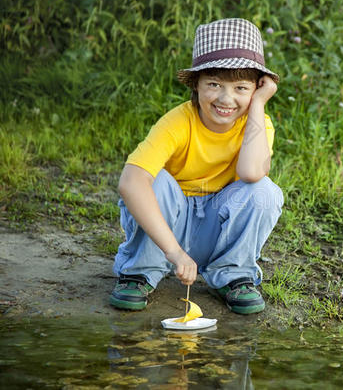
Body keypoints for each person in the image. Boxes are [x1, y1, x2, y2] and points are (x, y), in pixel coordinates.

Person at [109, 18, 283, 315]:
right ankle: (139, 271)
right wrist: (174, 252)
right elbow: (130, 182)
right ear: (197, 83)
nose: (226, 99)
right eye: (214, 84)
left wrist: (257, 106)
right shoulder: (177, 122)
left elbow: (251, 173)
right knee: (155, 181)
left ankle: (232, 275)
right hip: (168, 228)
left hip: (216, 228)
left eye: (242, 87)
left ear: (257, 88)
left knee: (265, 191)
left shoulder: (257, 123)